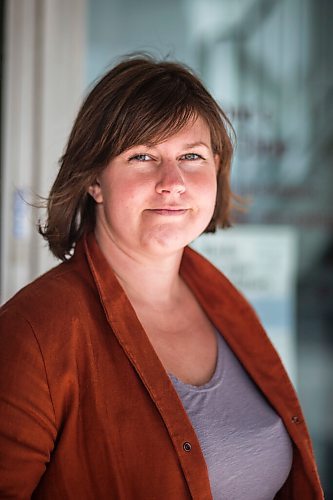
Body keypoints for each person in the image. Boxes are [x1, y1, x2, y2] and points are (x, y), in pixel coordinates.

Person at [0, 55, 323, 499]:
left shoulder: (224, 304)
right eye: (143, 156)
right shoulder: (33, 331)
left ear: (217, 169)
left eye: (191, 155)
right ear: (95, 181)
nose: (172, 181)